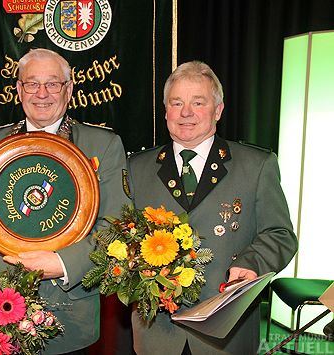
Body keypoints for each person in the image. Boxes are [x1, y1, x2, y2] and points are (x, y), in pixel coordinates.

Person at [0, 48, 130, 354]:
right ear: (18, 90)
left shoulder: (103, 145)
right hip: (0, 312)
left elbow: (116, 226)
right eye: (31, 84)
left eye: (52, 84)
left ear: (69, 89)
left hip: (70, 318)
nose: (41, 94)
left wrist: (62, 263)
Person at [127, 61, 298, 354]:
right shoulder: (136, 167)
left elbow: (280, 234)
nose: (186, 113)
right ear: (166, 110)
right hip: (157, 333)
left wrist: (252, 263)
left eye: (198, 102)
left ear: (218, 110)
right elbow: (117, 236)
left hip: (226, 332)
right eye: (176, 102)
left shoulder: (256, 165)